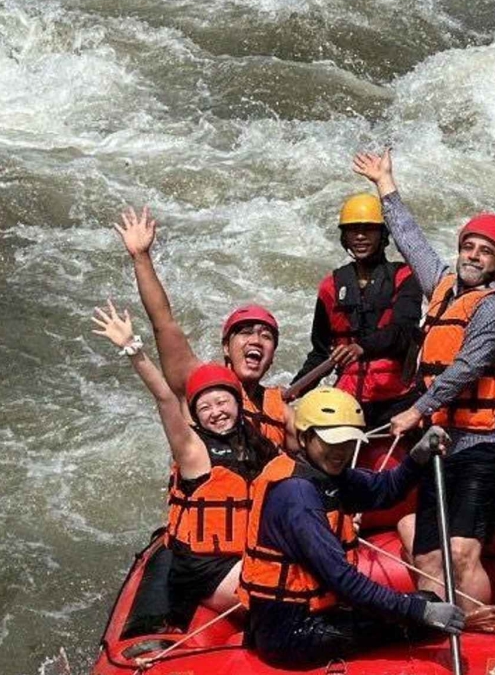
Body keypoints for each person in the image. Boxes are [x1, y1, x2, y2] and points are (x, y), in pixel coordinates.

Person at [352, 148, 495, 609]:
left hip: (491, 442)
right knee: (429, 554)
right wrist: (385, 186)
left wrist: (415, 410)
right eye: (469, 245)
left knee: (460, 552)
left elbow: (466, 367)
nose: (474, 254)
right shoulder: (443, 287)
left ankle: (476, 634)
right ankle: (437, 625)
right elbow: (411, 241)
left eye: (486, 251)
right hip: (446, 438)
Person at [239, 387, 495, 666]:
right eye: (332, 442)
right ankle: (468, 623)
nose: (341, 452)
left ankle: (455, 620)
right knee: (419, 616)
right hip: (290, 633)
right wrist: (419, 612)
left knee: (425, 600)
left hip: (315, 614)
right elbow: (344, 582)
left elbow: (384, 490)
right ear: (304, 437)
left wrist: (418, 457)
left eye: (349, 442)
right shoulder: (296, 496)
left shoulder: (329, 476)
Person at [92, 302, 277, 625]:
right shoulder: (191, 448)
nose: (215, 412)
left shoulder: (257, 445)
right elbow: (165, 397)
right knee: (282, 595)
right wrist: (133, 348)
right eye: (204, 407)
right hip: (204, 568)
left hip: (241, 554)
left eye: (222, 402)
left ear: (238, 403)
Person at [114, 206, 292, 449]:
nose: (256, 340)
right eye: (245, 332)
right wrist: (141, 257)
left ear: (272, 357)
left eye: (266, 336)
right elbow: (163, 322)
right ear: (226, 348)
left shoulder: (280, 407)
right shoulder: (196, 380)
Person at [292, 193, 424, 430]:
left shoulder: (405, 277)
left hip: (397, 399)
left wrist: (362, 347)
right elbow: (321, 352)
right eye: (353, 230)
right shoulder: (330, 286)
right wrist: (294, 390)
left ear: (383, 234)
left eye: (368, 229)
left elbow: (402, 332)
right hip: (347, 402)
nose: (360, 236)